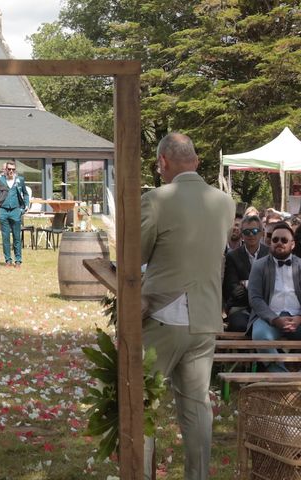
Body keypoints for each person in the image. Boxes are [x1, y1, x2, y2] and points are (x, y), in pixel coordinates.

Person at [141, 132, 235, 480]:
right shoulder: (225, 202)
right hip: (207, 316)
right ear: (195, 160)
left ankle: (140, 472)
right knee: (197, 409)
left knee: (141, 401)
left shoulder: (156, 199)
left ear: (163, 162)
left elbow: (137, 256)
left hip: (163, 315)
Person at [248, 222, 301, 372]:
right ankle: (282, 378)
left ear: (293, 244)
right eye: (275, 239)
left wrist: (299, 318)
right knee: (260, 337)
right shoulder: (259, 266)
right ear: (270, 243)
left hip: (298, 318)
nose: (279, 243)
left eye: (284, 240)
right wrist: (275, 319)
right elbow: (255, 298)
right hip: (269, 318)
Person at [223, 215, 269, 332]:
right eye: (247, 232)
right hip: (240, 307)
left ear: (261, 233)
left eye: (254, 231)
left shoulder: (270, 254)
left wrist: (246, 284)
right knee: (242, 326)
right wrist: (260, 286)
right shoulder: (232, 256)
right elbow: (233, 288)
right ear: (242, 235)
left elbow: (272, 285)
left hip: (267, 306)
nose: (251, 235)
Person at [0, 160, 29, 267]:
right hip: (3, 211)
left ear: (15, 170)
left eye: (13, 169)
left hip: (16, 210)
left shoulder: (20, 180)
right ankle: (8, 260)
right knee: (5, 237)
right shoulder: (0, 180)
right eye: (9, 169)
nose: (11, 171)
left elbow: (25, 194)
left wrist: (25, 206)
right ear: (5, 169)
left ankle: (18, 260)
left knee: (17, 237)